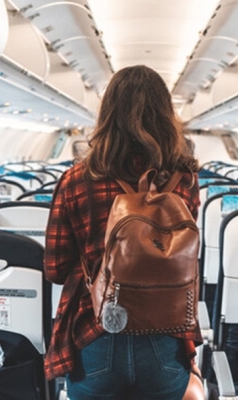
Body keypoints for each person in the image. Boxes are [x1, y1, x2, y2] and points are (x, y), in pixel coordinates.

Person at [44, 65, 201, 399]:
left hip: (96, 329)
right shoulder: (184, 180)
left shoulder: (76, 180)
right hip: (166, 333)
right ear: (166, 116)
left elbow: (55, 269)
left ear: (107, 115)